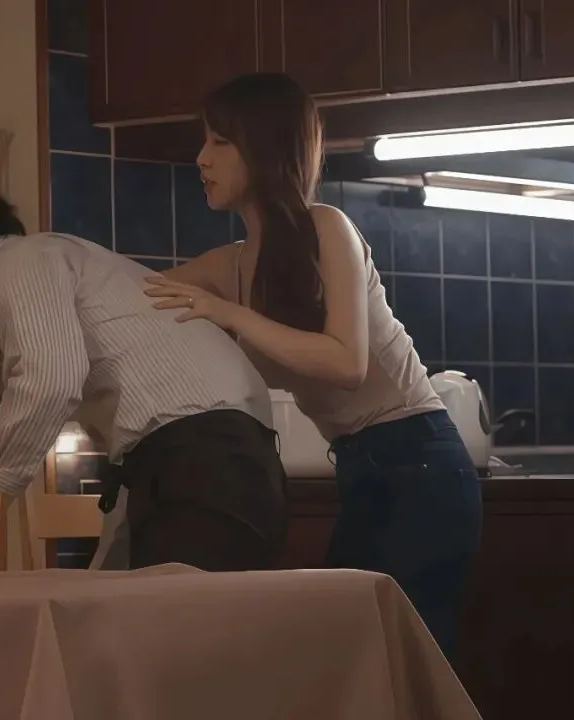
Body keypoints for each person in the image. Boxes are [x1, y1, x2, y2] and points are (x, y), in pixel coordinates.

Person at [142, 72, 482, 661]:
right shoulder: (231, 265)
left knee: (405, 661)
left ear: (264, 148)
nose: (201, 159)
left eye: (220, 142)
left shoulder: (327, 226)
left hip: (421, 463)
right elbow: (127, 292)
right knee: (352, 656)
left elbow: (347, 362)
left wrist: (231, 314)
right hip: (361, 468)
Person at [0, 185, 287, 572]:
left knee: (180, 616)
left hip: (208, 458)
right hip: (219, 457)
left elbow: (50, 380)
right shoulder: (60, 263)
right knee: (150, 609)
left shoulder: (14, 263)